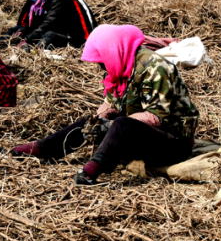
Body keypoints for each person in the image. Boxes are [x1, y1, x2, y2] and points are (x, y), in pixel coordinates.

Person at [10, 24, 199, 186]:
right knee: (91, 121)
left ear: (114, 50)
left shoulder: (156, 68)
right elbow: (111, 103)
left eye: (102, 60)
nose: (101, 66)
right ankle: (41, 149)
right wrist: (97, 120)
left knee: (121, 124)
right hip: (143, 133)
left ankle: (91, 171)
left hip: (174, 142)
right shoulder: (120, 67)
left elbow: (158, 117)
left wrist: (107, 127)